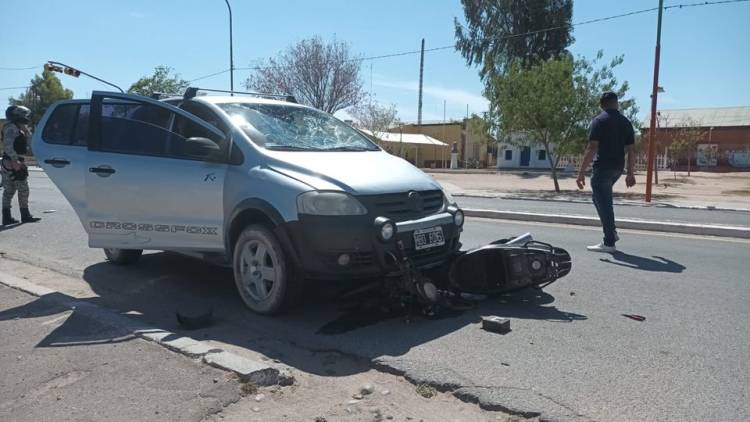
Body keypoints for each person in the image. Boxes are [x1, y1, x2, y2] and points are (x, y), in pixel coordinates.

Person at [576, 92, 635, 252]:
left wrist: (581, 171)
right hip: (617, 168)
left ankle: (609, 242)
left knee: (605, 203)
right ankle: (612, 232)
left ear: (602, 105)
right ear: (616, 103)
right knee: (599, 199)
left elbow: (592, 147)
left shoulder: (599, 121)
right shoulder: (626, 122)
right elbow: (631, 150)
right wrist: (630, 173)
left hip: (602, 167)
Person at [2, 105, 40, 225]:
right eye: (24, 115)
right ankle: (25, 215)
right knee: (22, 189)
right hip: (13, 162)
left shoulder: (16, 127)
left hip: (11, 161)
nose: (26, 118)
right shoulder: (11, 128)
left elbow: (28, 143)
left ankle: (7, 217)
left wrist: (26, 130)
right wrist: (15, 161)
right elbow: (8, 145)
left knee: (9, 190)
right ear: (17, 115)